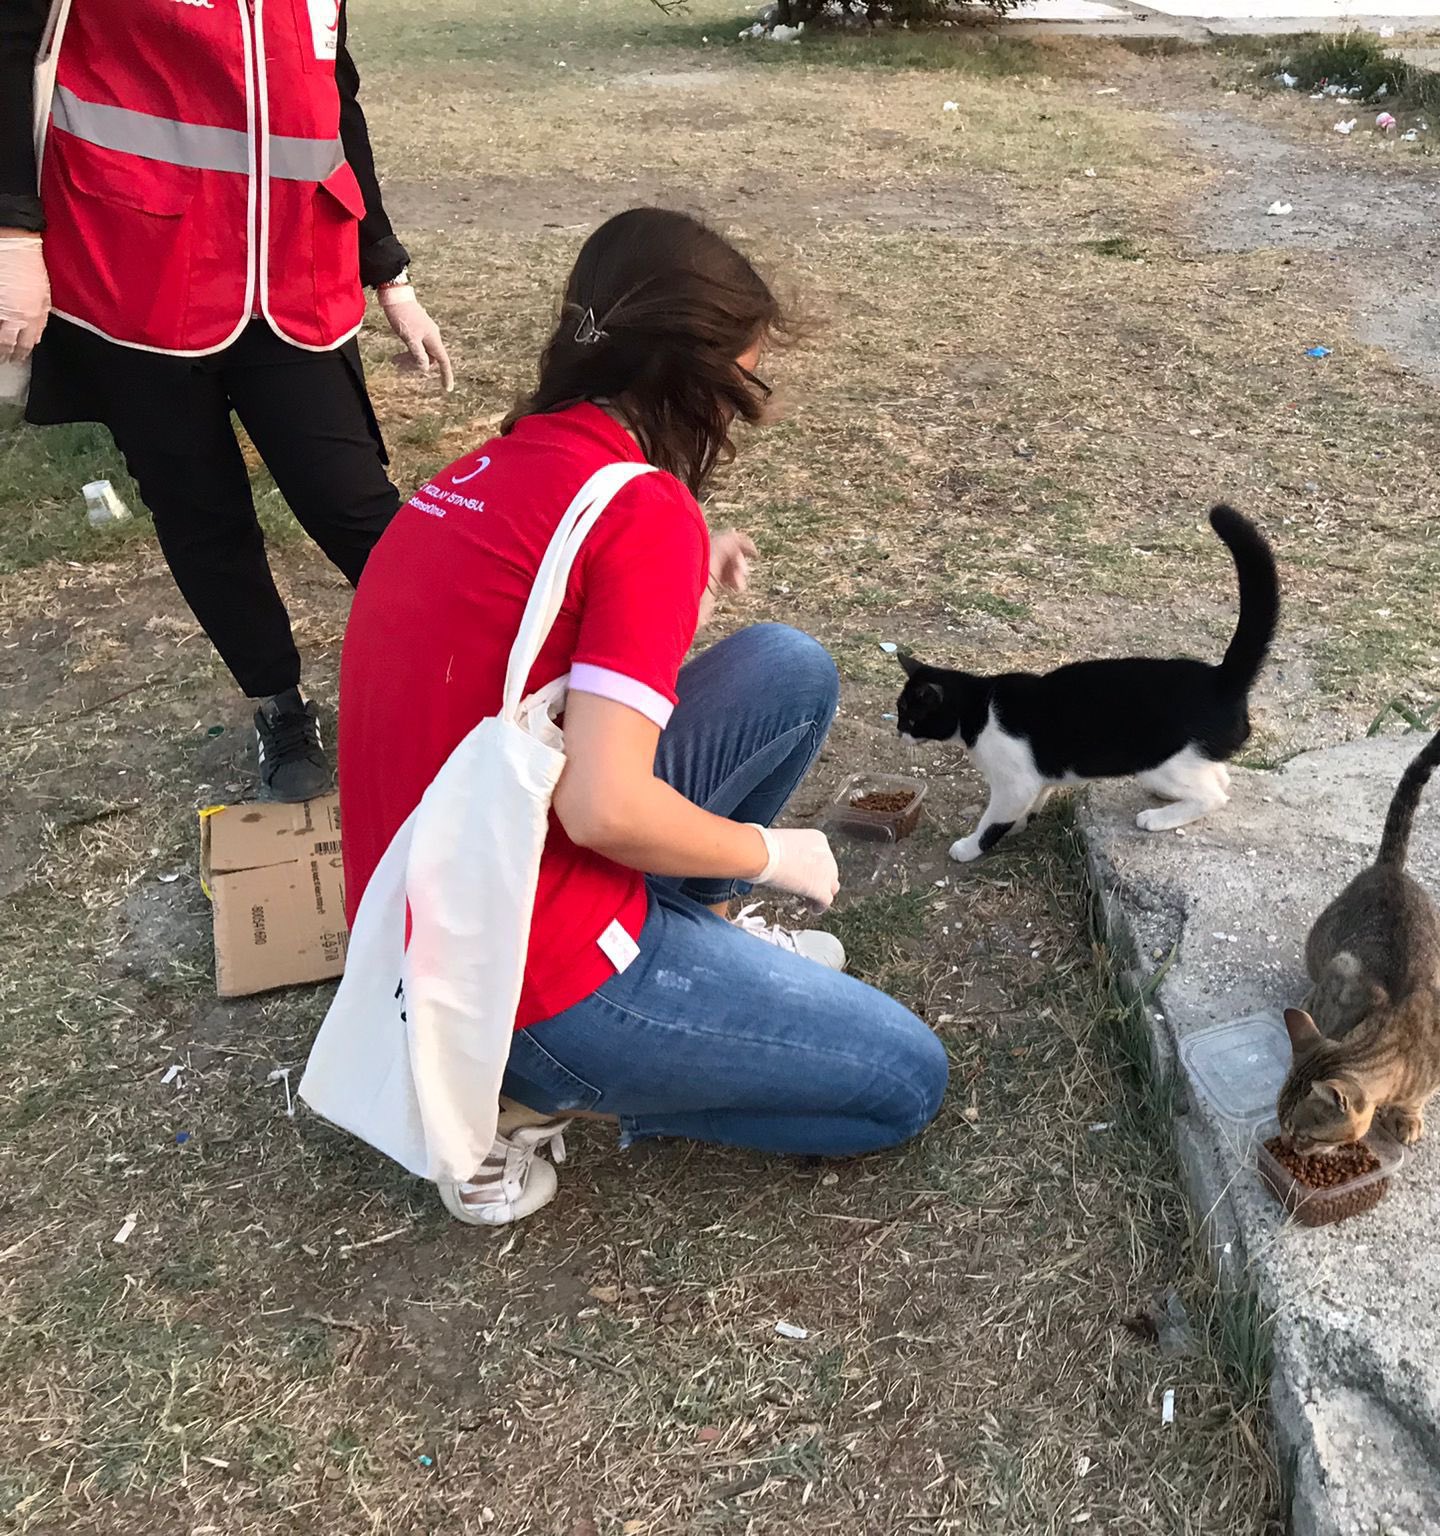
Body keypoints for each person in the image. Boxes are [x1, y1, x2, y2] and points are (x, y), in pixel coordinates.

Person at [338, 207, 948, 1226]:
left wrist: (674, 599)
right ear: (695, 379)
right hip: (518, 979)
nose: (752, 408)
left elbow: (529, 672)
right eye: (747, 380)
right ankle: (537, 1092)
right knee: (901, 1086)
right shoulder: (643, 511)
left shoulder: (494, 467)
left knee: (783, 668)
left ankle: (695, 947)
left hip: (433, 907)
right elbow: (603, 807)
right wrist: (770, 852)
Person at [0, 0, 452, 800]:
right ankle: (279, 702)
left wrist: (389, 272)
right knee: (200, 513)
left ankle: (470, 672)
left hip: (295, 277)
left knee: (350, 502)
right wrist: (13, 236)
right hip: (134, 276)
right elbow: (13, 49)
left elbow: (334, 98)